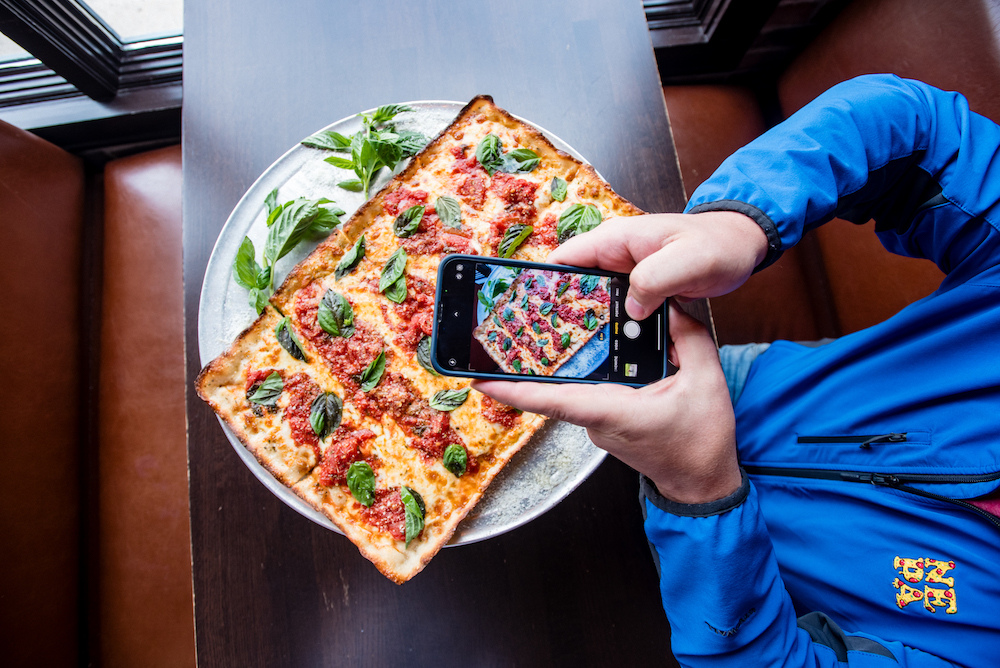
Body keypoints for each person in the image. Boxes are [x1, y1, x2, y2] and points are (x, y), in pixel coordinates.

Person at [474, 74, 1000, 667]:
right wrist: (740, 220)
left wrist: (700, 491)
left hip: (708, 589)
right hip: (731, 377)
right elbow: (919, 130)